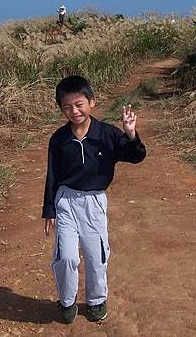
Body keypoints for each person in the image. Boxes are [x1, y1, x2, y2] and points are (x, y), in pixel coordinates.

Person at [42, 75, 147, 324]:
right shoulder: (59, 140)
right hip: (65, 200)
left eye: (79, 104)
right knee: (66, 256)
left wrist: (131, 134)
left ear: (92, 102)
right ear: (61, 109)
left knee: (96, 255)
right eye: (67, 107)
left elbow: (136, 156)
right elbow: (52, 175)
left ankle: (96, 300)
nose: (74, 111)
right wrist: (49, 209)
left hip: (94, 202)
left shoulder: (107, 134)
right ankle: (67, 302)